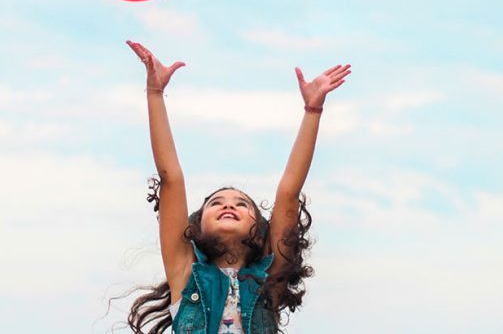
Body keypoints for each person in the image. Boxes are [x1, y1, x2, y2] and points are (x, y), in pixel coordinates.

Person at [124, 40, 350, 333]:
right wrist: (155, 93)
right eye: (216, 203)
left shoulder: (270, 280)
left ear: (261, 228)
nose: (228, 204)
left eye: (242, 204)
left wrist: (312, 111)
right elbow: (172, 179)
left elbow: (288, 193)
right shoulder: (185, 274)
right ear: (196, 227)